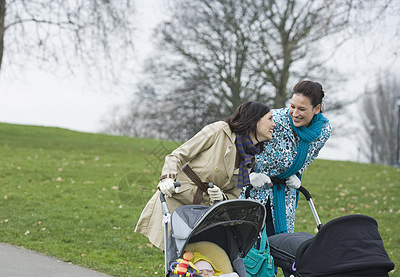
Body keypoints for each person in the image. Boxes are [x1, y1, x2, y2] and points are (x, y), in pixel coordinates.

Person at [135, 101, 276, 249]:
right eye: (270, 119)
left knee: (196, 263)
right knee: (174, 261)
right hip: (178, 199)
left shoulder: (249, 156)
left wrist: (221, 198)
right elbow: (176, 156)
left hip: (203, 213)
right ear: (254, 120)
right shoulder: (220, 131)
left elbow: (234, 194)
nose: (274, 124)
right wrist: (168, 178)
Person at [242, 80, 332, 236]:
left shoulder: (323, 131)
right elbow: (240, 146)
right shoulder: (274, 120)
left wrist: (297, 175)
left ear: (317, 109)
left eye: (302, 109)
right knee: (249, 245)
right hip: (253, 191)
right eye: (292, 106)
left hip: (283, 197)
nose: (295, 113)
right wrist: (248, 175)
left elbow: (308, 157)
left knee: (280, 245)